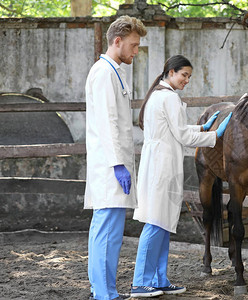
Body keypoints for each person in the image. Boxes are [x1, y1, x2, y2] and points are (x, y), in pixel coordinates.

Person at [130, 55, 232, 298]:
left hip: (160, 163)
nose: (187, 80)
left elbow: (177, 129)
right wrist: (215, 135)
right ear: (171, 72)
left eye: (189, 76)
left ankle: (159, 279)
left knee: (163, 224)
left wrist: (202, 128)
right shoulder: (169, 98)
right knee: (156, 223)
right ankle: (140, 282)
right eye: (184, 75)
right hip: (161, 166)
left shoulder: (159, 96)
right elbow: (183, 137)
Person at [84, 15, 147, 300]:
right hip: (110, 167)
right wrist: (118, 164)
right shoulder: (104, 72)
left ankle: (105, 290)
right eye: (133, 45)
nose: (136, 51)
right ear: (117, 41)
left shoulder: (113, 71)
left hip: (114, 166)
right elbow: (108, 122)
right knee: (106, 231)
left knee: (111, 232)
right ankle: (103, 293)